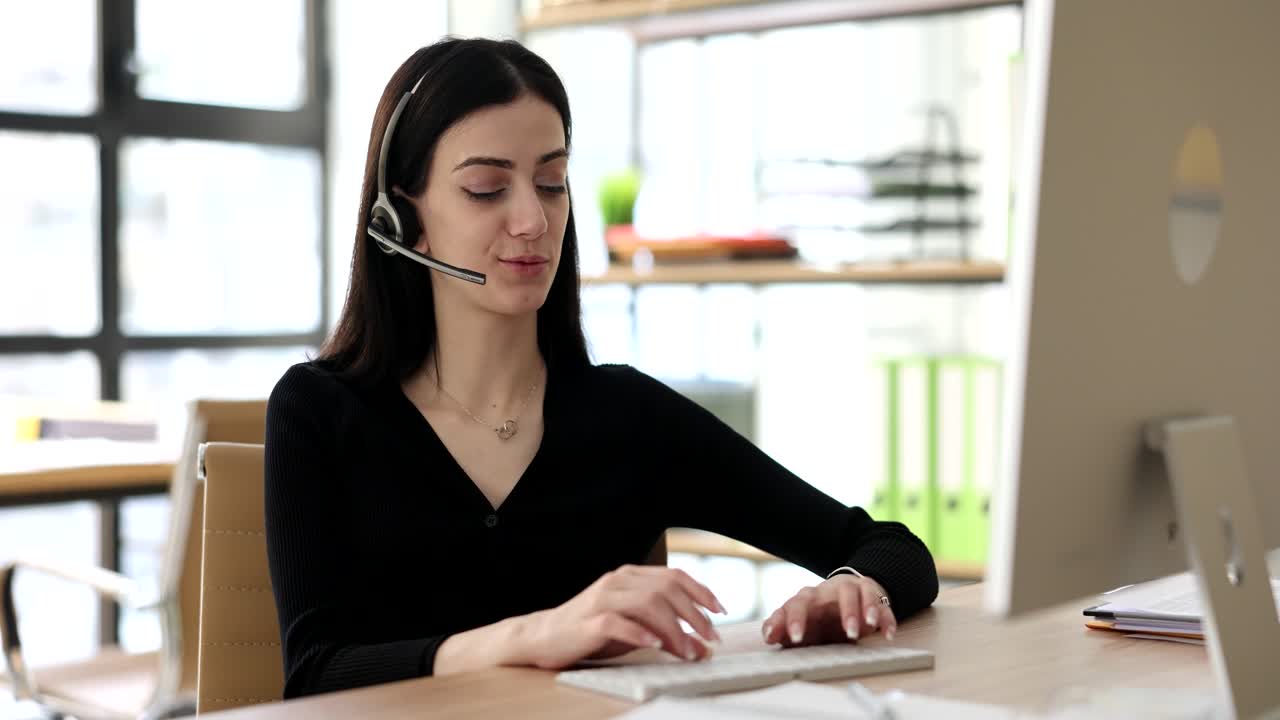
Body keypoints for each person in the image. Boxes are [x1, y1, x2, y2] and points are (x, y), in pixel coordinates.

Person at [264, 36, 938, 700]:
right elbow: (317, 672)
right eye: (486, 188)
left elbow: (892, 549)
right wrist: (532, 637)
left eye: (551, 183)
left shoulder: (630, 416)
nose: (533, 219)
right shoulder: (320, 410)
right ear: (401, 219)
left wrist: (856, 588)